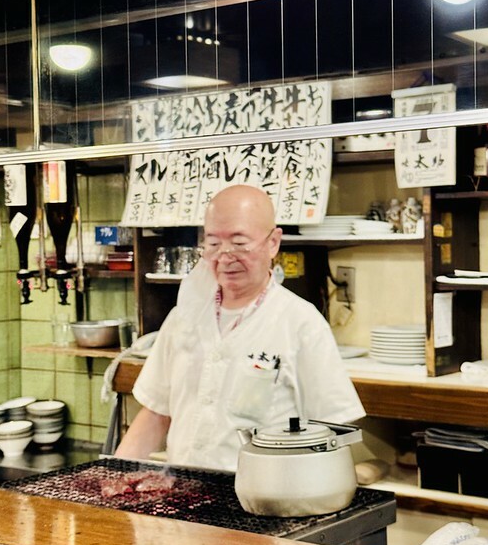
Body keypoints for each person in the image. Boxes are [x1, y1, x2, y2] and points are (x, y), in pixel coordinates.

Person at [115, 184, 365, 471]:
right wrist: (114, 479)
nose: (225, 255)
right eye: (213, 243)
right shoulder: (184, 317)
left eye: (239, 242)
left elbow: (332, 430)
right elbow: (156, 413)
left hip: (264, 502)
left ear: (273, 243)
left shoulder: (301, 324)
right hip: (183, 497)